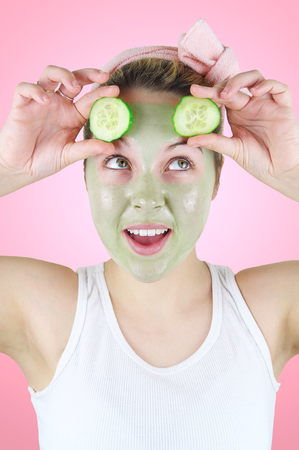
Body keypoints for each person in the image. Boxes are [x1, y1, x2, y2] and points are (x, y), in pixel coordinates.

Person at [0, 18, 298, 449]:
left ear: (216, 179)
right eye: (119, 163)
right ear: (83, 177)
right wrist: (8, 169)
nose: (147, 198)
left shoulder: (272, 311)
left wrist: (292, 172)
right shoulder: (40, 310)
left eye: (179, 163)